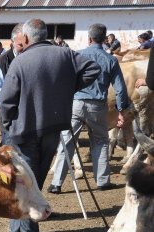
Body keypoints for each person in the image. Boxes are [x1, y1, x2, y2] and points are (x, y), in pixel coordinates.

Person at [0, 18, 100, 232]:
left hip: (24, 131)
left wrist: (7, 124)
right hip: (53, 128)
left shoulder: (20, 62)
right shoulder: (65, 54)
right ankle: (18, 224)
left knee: (27, 181)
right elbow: (93, 68)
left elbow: (6, 101)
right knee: (37, 177)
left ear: (25, 37)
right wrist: (66, 87)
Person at [48, 23, 129, 197]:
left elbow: (63, 81)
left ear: (89, 38)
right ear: (105, 39)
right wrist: (121, 110)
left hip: (76, 103)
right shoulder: (111, 60)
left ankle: (56, 183)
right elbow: (120, 89)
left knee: (67, 142)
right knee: (100, 141)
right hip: (97, 106)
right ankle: (102, 181)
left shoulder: (77, 56)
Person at [0, 24, 24, 145]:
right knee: (10, 151)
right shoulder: (1, 63)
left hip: (31, 115)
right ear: (12, 42)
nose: (24, 48)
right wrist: (14, 93)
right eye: (20, 44)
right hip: (10, 115)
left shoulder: (34, 58)